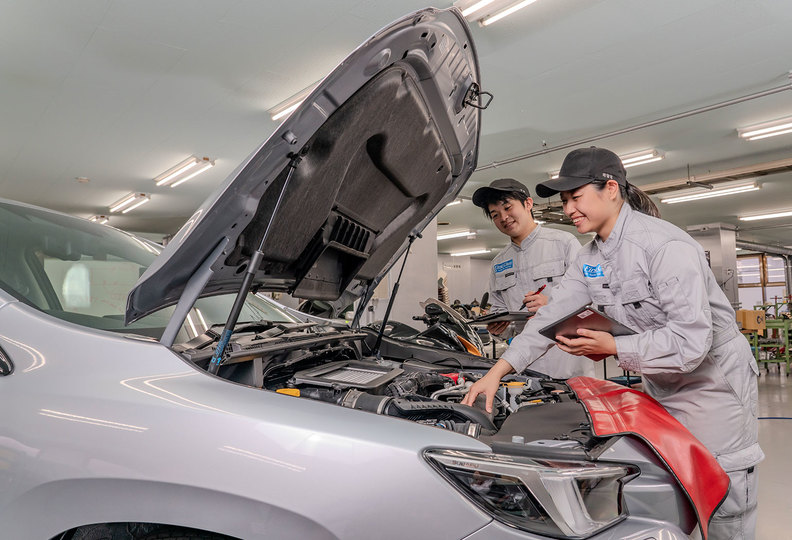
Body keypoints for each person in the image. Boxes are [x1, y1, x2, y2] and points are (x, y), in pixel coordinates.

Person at [462, 147, 762, 540]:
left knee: (724, 489)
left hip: (714, 385)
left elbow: (692, 342)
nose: (569, 209)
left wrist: (614, 347)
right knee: (679, 486)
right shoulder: (590, 258)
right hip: (663, 380)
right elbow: (547, 319)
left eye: (576, 197)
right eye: (565, 200)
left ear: (611, 189)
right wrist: (497, 373)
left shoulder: (664, 246)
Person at [472, 178, 594, 379]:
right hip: (525, 368)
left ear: (528, 204)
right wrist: (498, 329)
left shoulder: (564, 243)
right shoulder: (499, 263)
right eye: (495, 215)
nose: (504, 217)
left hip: (569, 364)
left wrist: (552, 303)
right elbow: (501, 313)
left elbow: (592, 299)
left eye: (508, 207)